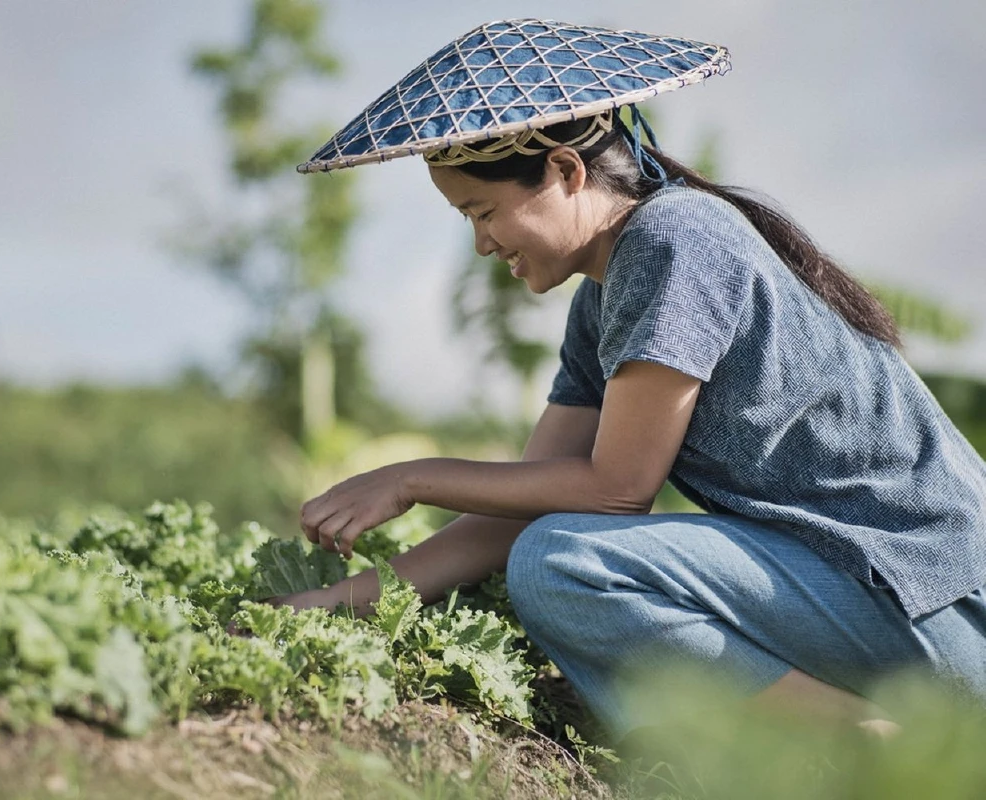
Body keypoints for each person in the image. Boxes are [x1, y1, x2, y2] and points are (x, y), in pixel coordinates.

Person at [278, 19, 986, 739]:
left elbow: (618, 490)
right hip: (870, 598)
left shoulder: (675, 237)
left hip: (937, 602)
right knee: (549, 550)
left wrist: (409, 478)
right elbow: (524, 501)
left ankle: (869, 752)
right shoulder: (604, 300)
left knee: (563, 565)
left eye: (483, 212)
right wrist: (339, 603)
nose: (482, 243)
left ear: (564, 171)